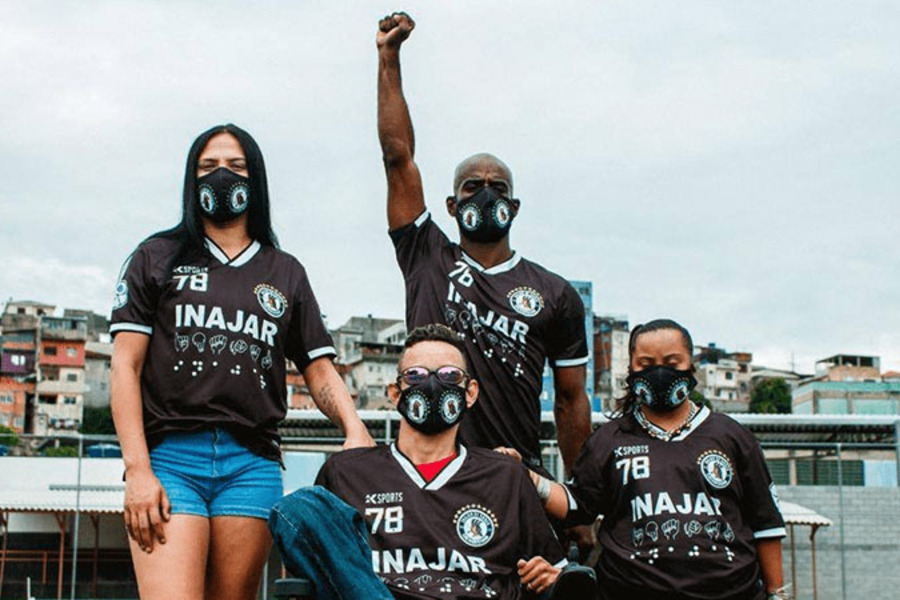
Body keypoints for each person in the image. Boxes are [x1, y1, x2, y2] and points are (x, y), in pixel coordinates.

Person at [109, 124, 374, 600]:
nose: (222, 177)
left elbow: (317, 366)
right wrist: (138, 471)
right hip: (171, 458)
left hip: (251, 464)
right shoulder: (157, 256)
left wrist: (353, 427)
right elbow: (124, 366)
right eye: (208, 167)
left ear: (257, 181)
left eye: (236, 167)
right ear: (192, 180)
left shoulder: (284, 270)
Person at [377, 11, 591, 477]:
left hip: (516, 473)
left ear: (514, 208)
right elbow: (398, 158)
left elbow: (573, 399)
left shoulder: (555, 294)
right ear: (452, 206)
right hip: (427, 468)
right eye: (473, 186)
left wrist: (579, 499)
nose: (487, 193)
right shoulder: (426, 254)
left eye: (498, 187)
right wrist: (388, 57)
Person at [269, 324, 594, 600]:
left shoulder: (505, 475)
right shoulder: (347, 472)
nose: (432, 385)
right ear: (395, 393)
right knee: (302, 507)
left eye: (450, 375)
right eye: (416, 375)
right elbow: (306, 572)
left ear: (470, 393)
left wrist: (549, 576)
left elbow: (558, 575)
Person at [526, 319, 789, 600]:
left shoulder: (732, 436)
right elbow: (577, 503)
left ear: (691, 366)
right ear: (630, 370)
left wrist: (777, 594)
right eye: (646, 364)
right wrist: (527, 478)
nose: (659, 371)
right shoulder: (609, 439)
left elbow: (766, 525)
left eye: (672, 363)